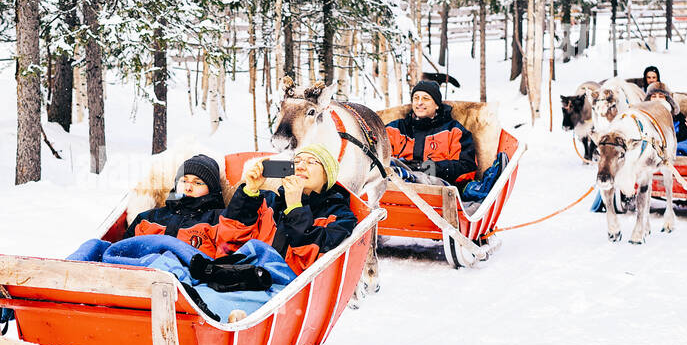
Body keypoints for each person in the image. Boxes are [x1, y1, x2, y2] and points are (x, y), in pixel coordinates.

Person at [217, 143, 358, 275]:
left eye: (311, 162)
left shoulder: (339, 216)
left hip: (283, 289)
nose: (300, 167)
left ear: (327, 176)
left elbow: (312, 263)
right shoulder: (268, 202)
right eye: (296, 161)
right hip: (239, 276)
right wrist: (250, 190)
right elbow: (229, 241)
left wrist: (295, 208)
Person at [123, 154, 226, 256]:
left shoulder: (220, 221)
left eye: (198, 183)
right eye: (184, 181)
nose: (188, 188)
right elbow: (121, 253)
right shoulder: (146, 219)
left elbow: (228, 263)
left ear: (212, 190)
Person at [386, 80, 478, 188]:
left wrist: (432, 168)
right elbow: (378, 160)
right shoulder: (394, 129)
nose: (419, 102)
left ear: (437, 105)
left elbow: (467, 168)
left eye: (426, 98)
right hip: (395, 188)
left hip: (438, 190)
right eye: (416, 98)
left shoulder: (454, 131)